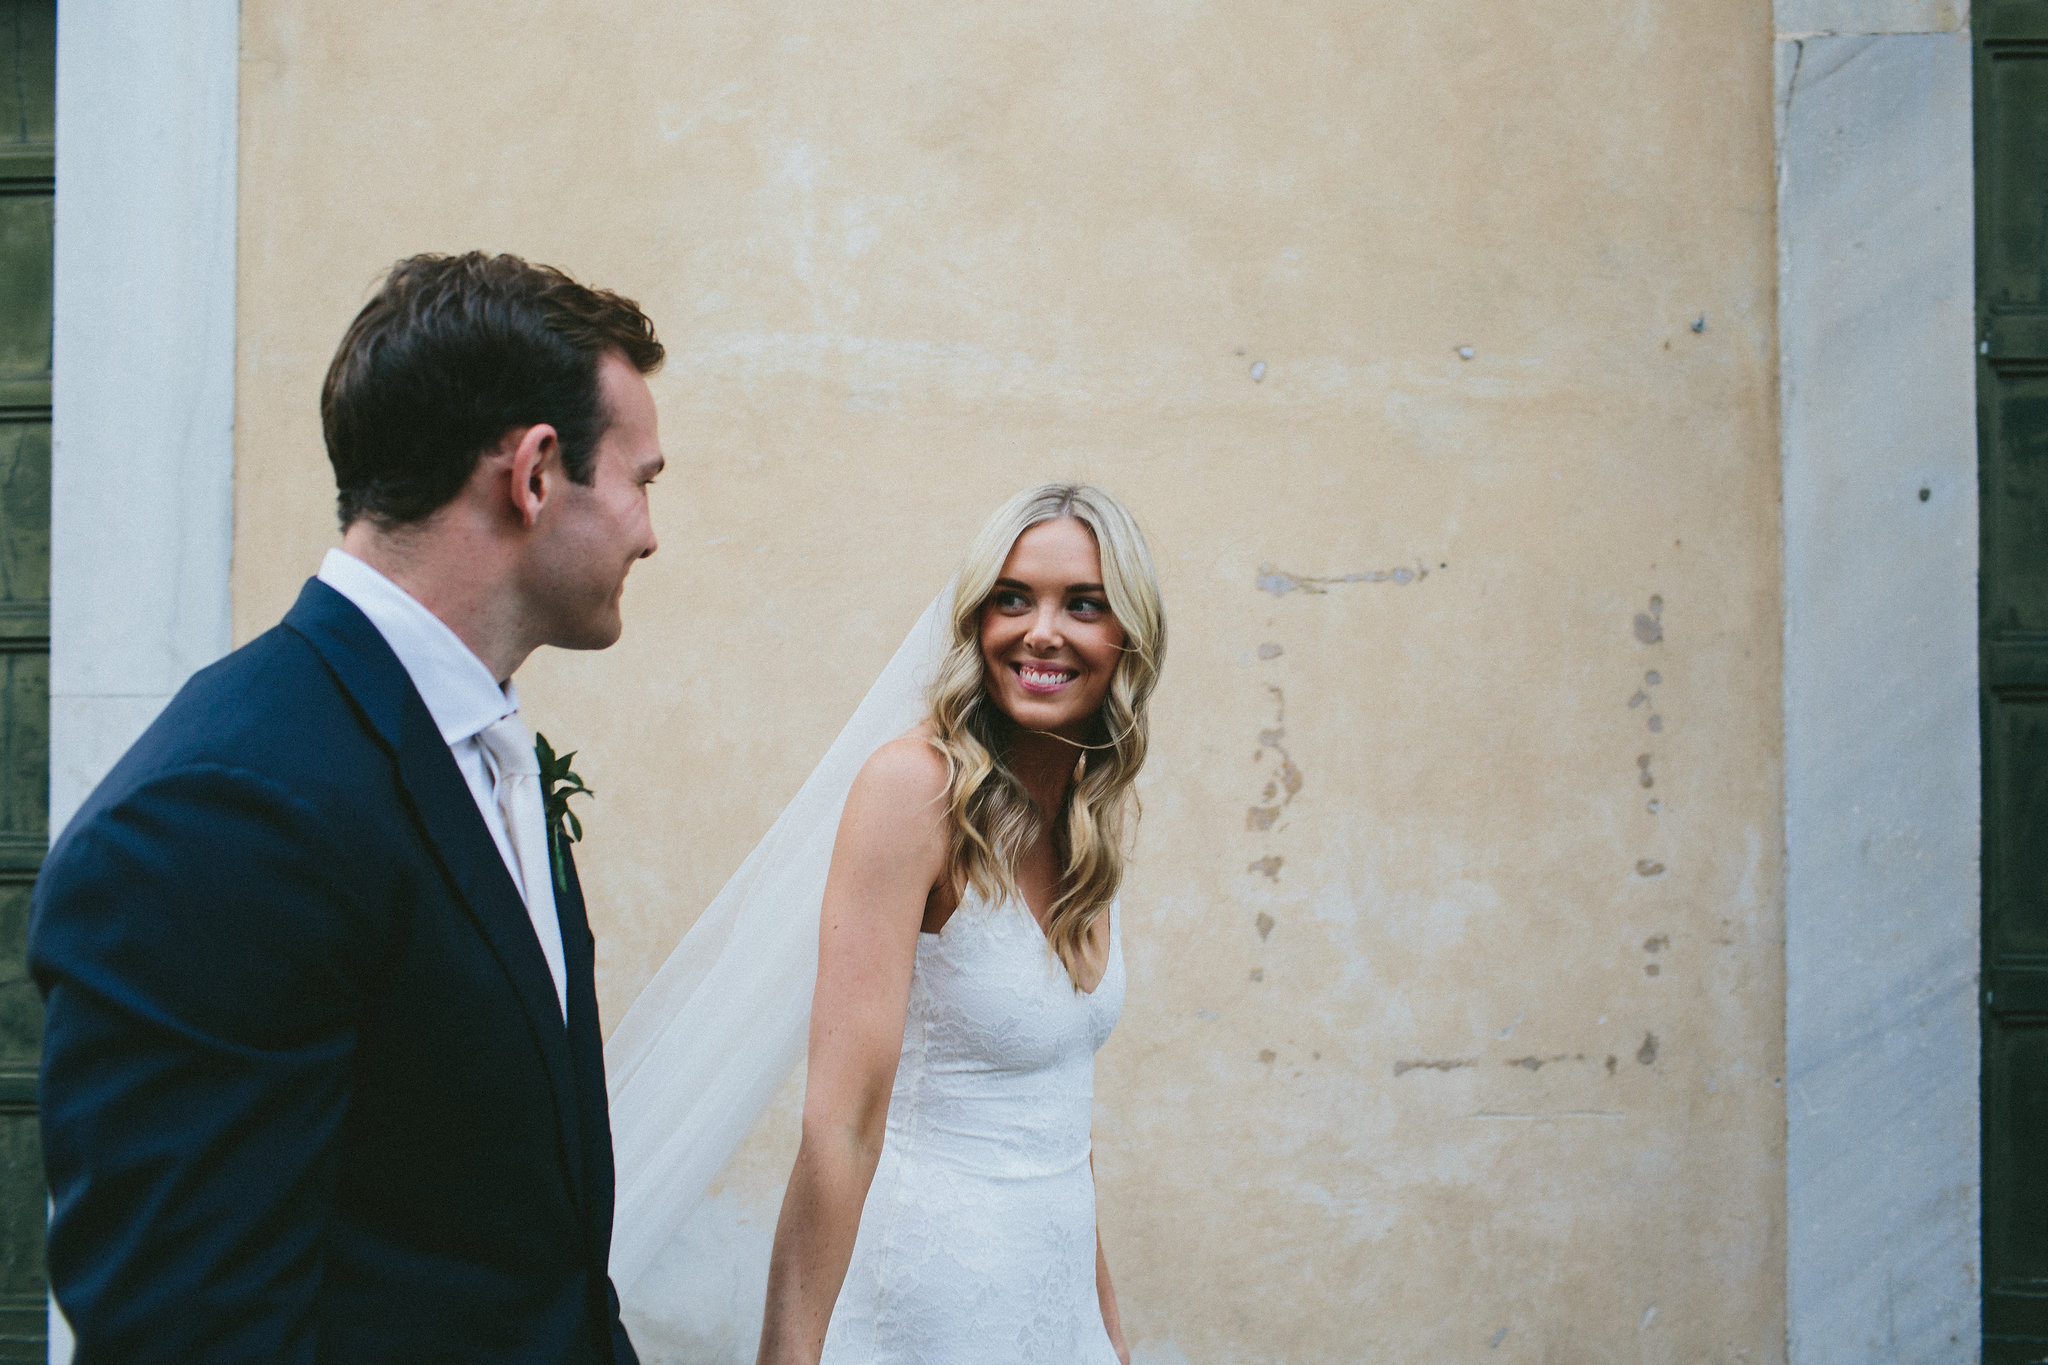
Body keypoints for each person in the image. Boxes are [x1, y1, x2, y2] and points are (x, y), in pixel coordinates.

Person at [30, 252, 665, 1362]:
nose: (648, 531)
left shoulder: (470, 744)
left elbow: (523, 1245)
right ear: (532, 473)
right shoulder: (228, 812)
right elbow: (188, 1329)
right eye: (639, 481)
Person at [753, 482, 1166, 1365]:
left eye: (1083, 604)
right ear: (976, 620)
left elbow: (1058, 1123)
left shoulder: (1088, 822)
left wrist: (1109, 1336)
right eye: (1011, 597)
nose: (1041, 630)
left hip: (1051, 1307)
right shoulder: (915, 791)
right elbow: (841, 1122)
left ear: (1126, 634)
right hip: (927, 1303)